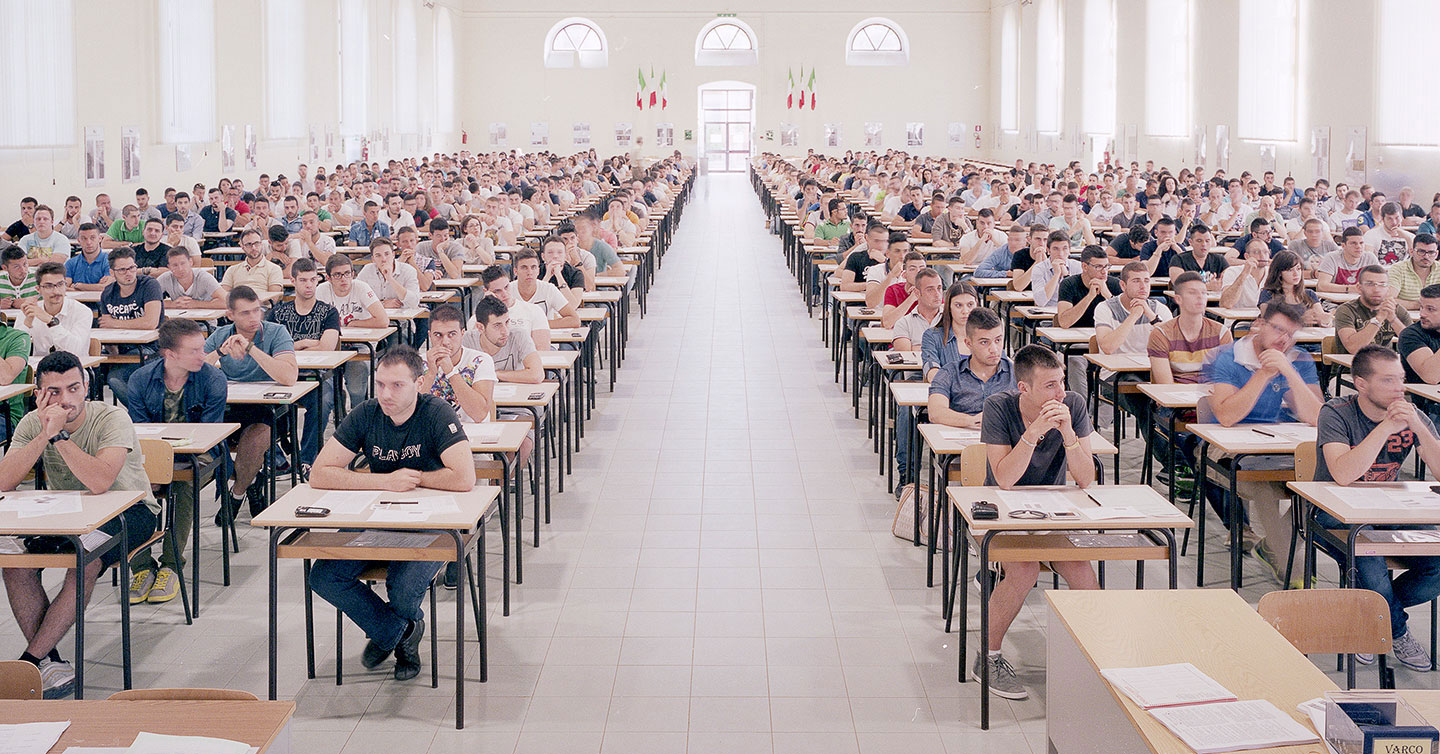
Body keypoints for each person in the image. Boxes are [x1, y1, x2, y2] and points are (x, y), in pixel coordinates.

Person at [308, 346, 476, 682]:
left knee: (401, 588)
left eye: (397, 385)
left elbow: (464, 477)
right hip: (379, 520)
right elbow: (319, 473)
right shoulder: (366, 414)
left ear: (419, 382)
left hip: (433, 524)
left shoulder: (437, 413)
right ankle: (397, 632)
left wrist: (415, 479)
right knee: (324, 576)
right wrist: (384, 482)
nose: (386, 394)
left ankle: (398, 644)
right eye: (380, 384)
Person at [0, 351, 159, 698]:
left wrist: (59, 438)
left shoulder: (112, 418)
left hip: (132, 510)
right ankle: (50, 664)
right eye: (53, 392)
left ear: (87, 386)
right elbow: (4, 481)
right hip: (69, 513)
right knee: (10, 557)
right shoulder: (31, 424)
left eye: (73, 388)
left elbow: (101, 481)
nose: (65, 400)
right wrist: (44, 433)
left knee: (84, 560)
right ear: (38, 395)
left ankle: (29, 661)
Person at [977, 344, 1098, 700]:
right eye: (1050, 386)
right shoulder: (998, 407)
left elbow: (1086, 478)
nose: (1060, 392)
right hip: (1002, 509)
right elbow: (1004, 478)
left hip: (1052, 509)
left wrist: (1068, 435)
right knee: (1025, 569)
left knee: (1081, 572)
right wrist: (1034, 434)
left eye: (1061, 382)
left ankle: (1094, 656)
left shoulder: (1073, 404)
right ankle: (988, 657)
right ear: (1024, 388)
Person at [1313, 345, 1440, 671]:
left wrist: (1420, 429)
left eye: (1401, 379)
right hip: (1334, 512)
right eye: (1388, 381)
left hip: (1390, 509)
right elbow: (1342, 474)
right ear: (1361, 384)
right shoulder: (1336, 412)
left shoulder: (1412, 415)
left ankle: (1367, 618)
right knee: (1371, 562)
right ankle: (1394, 630)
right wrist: (1385, 427)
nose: (1399, 388)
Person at [1204, 303, 1323, 584]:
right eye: (1278, 329)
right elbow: (1227, 417)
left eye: (1291, 334)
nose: (1283, 340)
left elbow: (1317, 416)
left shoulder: (1298, 358)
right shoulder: (1226, 357)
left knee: (1320, 485)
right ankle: (1291, 569)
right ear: (1259, 324)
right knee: (1263, 485)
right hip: (1225, 449)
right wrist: (1264, 373)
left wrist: (1289, 372)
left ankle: (1272, 547)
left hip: (1278, 444)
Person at [123, 319, 227, 606]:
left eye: (203, 348)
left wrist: (169, 461)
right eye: (194, 350)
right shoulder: (141, 380)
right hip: (154, 453)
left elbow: (208, 431)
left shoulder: (213, 379)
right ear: (170, 354)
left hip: (197, 454)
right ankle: (141, 566)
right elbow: (139, 431)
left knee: (184, 482)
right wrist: (158, 462)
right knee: (130, 482)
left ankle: (171, 563)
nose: (202, 356)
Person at [205, 285, 299, 518]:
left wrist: (251, 348)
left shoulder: (276, 332)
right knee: (208, 437)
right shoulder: (220, 335)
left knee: (255, 441)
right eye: (245, 313)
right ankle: (253, 480)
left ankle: (236, 494)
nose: (253, 318)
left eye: (257, 310)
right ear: (231, 315)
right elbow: (193, 370)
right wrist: (219, 353)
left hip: (269, 408)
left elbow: (288, 377)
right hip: (231, 405)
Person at [268, 258, 341, 472]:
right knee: (259, 406)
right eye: (303, 280)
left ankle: (307, 460)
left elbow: (327, 347)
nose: (309, 285)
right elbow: (269, 350)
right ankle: (278, 458)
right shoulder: (279, 312)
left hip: (317, 376)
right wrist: (302, 343)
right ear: (293, 280)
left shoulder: (328, 312)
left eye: (312, 280)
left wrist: (288, 348)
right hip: (282, 376)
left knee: (323, 401)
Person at [318, 253, 389, 408]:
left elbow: (383, 320)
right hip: (331, 345)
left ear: (353, 274)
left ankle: (359, 414)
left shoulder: (361, 287)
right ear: (328, 278)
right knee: (325, 386)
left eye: (347, 273)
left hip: (361, 345)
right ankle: (339, 409)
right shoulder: (321, 291)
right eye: (337, 275)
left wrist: (354, 324)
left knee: (356, 385)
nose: (343, 279)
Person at [927, 308, 1013, 429]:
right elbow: (936, 413)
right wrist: (973, 421)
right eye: (984, 342)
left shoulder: (1017, 373)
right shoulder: (949, 373)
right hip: (958, 443)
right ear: (968, 343)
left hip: (1005, 443)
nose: (994, 349)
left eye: (998, 340)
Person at [98, 247, 164, 404]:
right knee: (93, 371)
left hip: (151, 348)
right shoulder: (108, 292)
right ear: (112, 272)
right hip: (120, 350)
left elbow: (150, 323)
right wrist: (112, 347)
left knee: (115, 379)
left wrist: (116, 323)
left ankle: (143, 413)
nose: (128, 273)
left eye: (132, 268)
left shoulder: (149, 285)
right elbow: (105, 326)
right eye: (122, 270)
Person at [421, 304, 496, 424]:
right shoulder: (418, 362)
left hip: (472, 435)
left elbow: (479, 414)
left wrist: (451, 372)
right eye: (438, 335)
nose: (445, 342)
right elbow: (410, 414)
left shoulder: (481, 360)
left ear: (462, 333)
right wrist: (430, 374)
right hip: (432, 435)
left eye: (452, 334)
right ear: (430, 335)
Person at [20, 262, 93, 357]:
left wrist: (51, 321)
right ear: (38, 289)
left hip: (74, 368)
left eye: (60, 284)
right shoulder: (30, 310)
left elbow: (75, 350)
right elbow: (15, 349)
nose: (56, 291)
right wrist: (27, 324)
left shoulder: (82, 311)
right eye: (49, 286)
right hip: (41, 368)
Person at [1335, 265, 1411, 354]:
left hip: (1386, 364)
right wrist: (1378, 319)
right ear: (1359, 288)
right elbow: (1354, 348)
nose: (1376, 289)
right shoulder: (1347, 310)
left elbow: (1414, 344)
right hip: (1353, 365)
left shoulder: (1396, 310)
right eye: (1370, 284)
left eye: (1382, 285)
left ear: (1388, 289)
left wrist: (1393, 319)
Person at [1055, 244, 1123, 329]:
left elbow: (1125, 320)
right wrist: (1089, 297)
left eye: (1106, 266)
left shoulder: (1116, 284)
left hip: (1107, 336)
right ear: (1084, 267)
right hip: (1076, 338)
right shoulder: (1069, 284)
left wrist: (1108, 296)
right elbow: (1064, 323)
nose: (1104, 272)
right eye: (1098, 267)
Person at [509, 248, 581, 328]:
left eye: (533, 267)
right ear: (515, 271)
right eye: (524, 268)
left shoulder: (549, 289)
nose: (529, 272)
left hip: (544, 337)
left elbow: (575, 320)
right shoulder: (507, 290)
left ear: (538, 270)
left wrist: (538, 324)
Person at [1258, 251, 1327, 326]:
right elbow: (1268, 321)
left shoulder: (1309, 294)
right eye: (1290, 270)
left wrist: (1326, 320)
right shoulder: (1268, 294)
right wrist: (1301, 320)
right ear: (1279, 272)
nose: (1296, 274)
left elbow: (1321, 319)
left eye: (1298, 269)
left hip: (1307, 336)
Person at [356, 238, 420, 309]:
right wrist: (382, 304)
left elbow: (414, 303)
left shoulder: (408, 270)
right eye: (378, 255)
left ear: (393, 255)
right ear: (373, 259)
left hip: (401, 318)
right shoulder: (367, 270)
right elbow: (356, 299)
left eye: (387, 254)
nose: (383, 259)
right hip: (374, 318)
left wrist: (390, 279)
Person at [219, 229, 285, 295]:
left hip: (261, 304)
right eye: (248, 244)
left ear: (261, 244)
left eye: (256, 243)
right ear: (242, 247)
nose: (253, 247)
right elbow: (223, 295)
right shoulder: (232, 270)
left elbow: (273, 298)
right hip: (237, 304)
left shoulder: (274, 269)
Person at [1318, 227, 1382, 294]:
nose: (1358, 246)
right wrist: (1351, 288)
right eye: (1353, 243)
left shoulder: (1370, 257)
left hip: (1363, 301)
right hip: (1335, 302)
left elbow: (1381, 281)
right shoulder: (1331, 258)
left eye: (1361, 243)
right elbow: (1322, 286)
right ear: (1343, 246)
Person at [1030, 232, 1084, 308]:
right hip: (1047, 314)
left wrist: (1066, 276)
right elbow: (1040, 302)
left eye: (1065, 249)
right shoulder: (1039, 268)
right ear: (1048, 250)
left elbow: (1080, 298)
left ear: (1069, 250)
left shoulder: (1078, 267)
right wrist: (1056, 274)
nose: (1061, 254)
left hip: (1072, 312)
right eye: (1056, 249)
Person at [156, 247, 224, 309]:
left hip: (204, 320)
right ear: (169, 267)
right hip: (176, 319)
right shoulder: (165, 278)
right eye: (175, 265)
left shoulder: (203, 277)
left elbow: (226, 302)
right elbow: (147, 300)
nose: (180, 269)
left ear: (190, 262)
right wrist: (171, 304)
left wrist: (196, 304)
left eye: (183, 263)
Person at [1399, 285, 1440, 386]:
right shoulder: (1411, 335)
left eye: (1430, 309)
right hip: (1430, 400)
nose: (1422, 314)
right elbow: (1431, 377)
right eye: (1421, 307)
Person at [1389, 233, 1440, 309]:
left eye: (1431, 252)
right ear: (1411, 252)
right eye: (1421, 251)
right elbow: (1389, 300)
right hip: (1406, 319)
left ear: (1436, 254)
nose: (1426, 256)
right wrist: (1421, 305)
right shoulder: (1397, 269)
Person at [1218, 239, 1272, 309]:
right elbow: (1226, 304)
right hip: (1238, 319)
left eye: (1266, 252)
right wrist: (1245, 273)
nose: (1262, 256)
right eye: (1256, 252)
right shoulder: (1232, 271)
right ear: (1247, 256)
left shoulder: (1272, 273)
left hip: (1265, 318)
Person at [64, 223, 111, 291]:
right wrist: (96, 286)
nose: (88, 242)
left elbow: (106, 287)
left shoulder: (109, 261)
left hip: (101, 301)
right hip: (76, 301)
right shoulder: (71, 263)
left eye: (92, 238)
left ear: (100, 238)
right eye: (84, 238)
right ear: (79, 240)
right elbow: (64, 287)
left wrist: (78, 286)